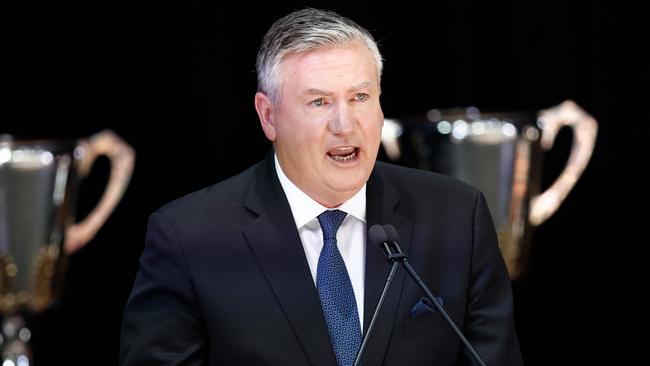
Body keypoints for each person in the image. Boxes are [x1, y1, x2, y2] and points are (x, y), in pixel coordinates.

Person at [120, 8, 523, 366]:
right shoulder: (189, 238)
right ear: (268, 116)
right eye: (319, 102)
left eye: (360, 97)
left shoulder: (456, 215)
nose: (345, 125)